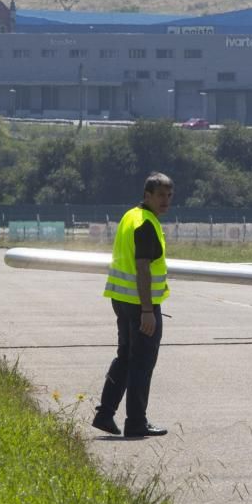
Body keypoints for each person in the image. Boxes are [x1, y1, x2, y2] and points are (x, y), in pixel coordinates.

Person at [92, 172, 174, 438]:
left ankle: (105, 414)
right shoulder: (146, 224)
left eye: (169, 195)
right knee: (142, 364)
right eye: (160, 195)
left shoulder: (131, 216)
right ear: (147, 195)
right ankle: (136, 421)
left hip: (122, 300)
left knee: (125, 359)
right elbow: (142, 269)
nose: (165, 200)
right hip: (141, 304)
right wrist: (148, 311)